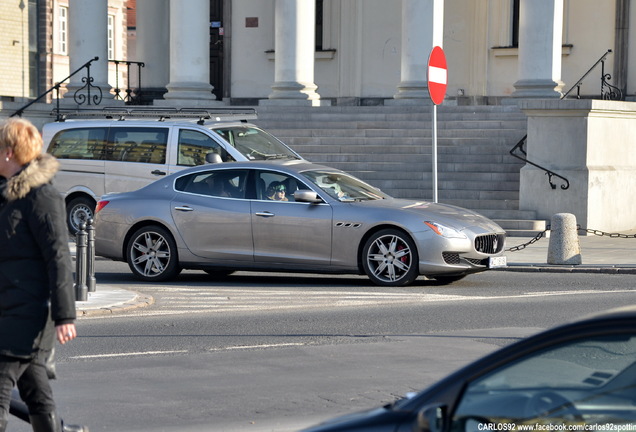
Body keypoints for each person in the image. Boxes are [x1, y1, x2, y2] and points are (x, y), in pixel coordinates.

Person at [0, 118, 80, 432]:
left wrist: (65, 315)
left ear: (8, 153)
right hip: (10, 307)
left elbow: (58, 256)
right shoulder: (7, 195)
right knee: (35, 392)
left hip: (30, 312)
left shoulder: (41, 197)